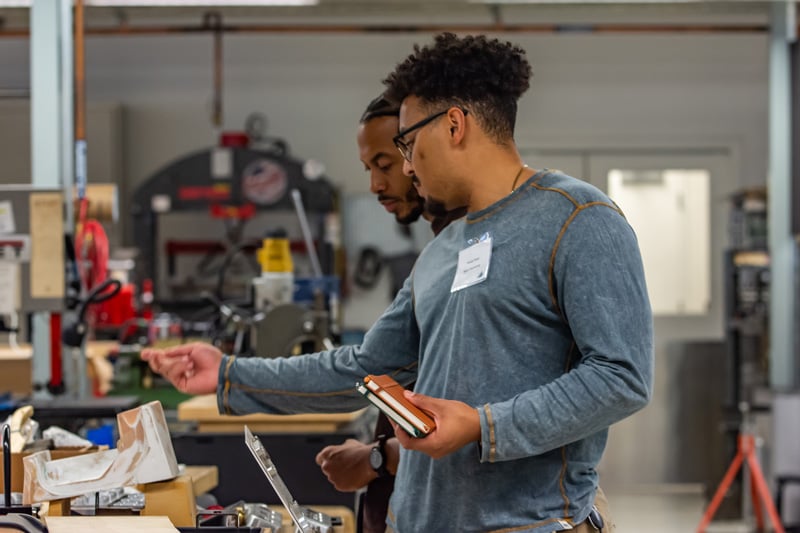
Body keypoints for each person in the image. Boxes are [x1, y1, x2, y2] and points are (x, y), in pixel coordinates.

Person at [143, 32, 653, 532]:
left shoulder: (578, 217)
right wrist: (230, 375)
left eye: (408, 142)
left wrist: (483, 426)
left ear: (454, 125)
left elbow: (620, 377)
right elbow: (364, 369)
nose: (406, 165)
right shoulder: (443, 249)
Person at [314, 93, 465, 533]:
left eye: (391, 161)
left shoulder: (477, 255)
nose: (378, 184)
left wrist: (379, 458)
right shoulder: (439, 254)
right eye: (371, 169)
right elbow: (372, 367)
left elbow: (475, 421)